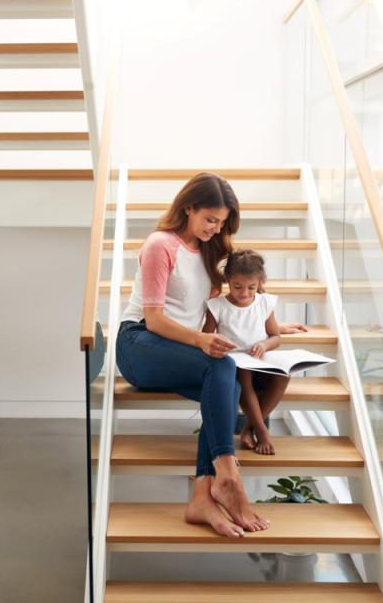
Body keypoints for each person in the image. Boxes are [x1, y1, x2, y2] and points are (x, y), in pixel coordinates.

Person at [115, 172, 269, 539]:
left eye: (222, 222)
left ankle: (203, 494)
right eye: (210, 219)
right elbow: (153, 319)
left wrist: (277, 326)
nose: (216, 229)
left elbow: (246, 293)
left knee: (227, 381)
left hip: (180, 347)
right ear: (188, 208)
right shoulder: (160, 245)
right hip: (139, 344)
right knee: (223, 372)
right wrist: (201, 340)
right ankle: (228, 475)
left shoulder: (211, 251)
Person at [204, 249, 292, 455]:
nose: (244, 293)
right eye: (237, 287)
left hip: (260, 360)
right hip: (234, 362)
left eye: (251, 287)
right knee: (243, 373)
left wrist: (264, 344)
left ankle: (248, 428)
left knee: (284, 376)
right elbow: (206, 337)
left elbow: (276, 337)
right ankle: (262, 431)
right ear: (227, 280)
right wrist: (219, 343)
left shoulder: (264, 303)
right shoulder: (218, 306)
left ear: (260, 282)